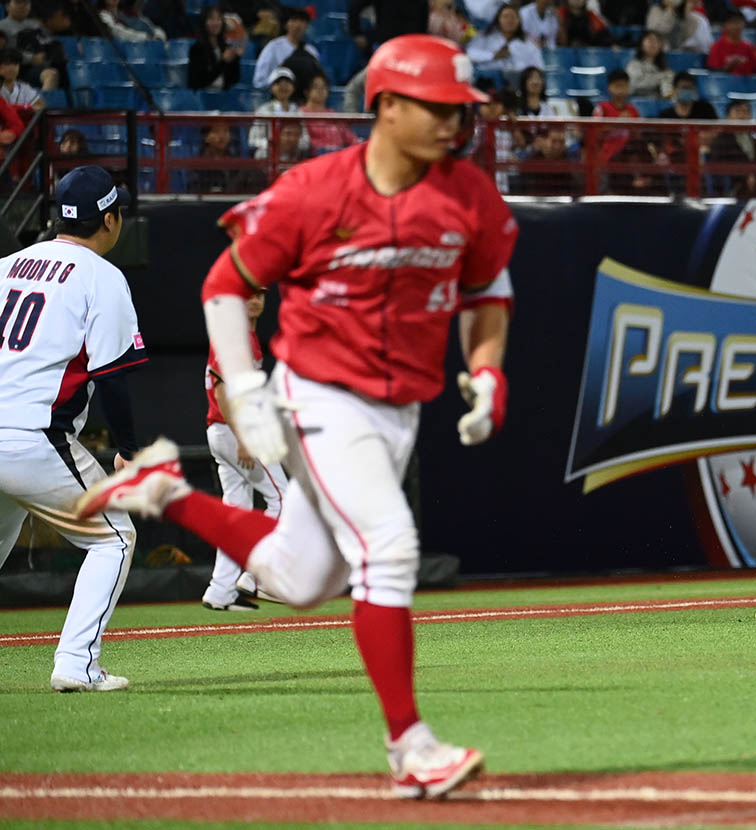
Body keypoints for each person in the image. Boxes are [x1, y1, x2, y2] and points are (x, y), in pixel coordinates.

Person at [76, 35, 514, 798]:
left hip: (400, 407)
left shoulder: (468, 192)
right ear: (385, 105)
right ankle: (411, 748)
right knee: (389, 545)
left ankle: (167, 495)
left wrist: (485, 368)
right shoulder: (314, 189)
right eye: (439, 108)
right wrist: (243, 391)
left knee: (300, 575)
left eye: (461, 110)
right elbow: (222, 284)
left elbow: (487, 295)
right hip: (320, 394)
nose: (455, 124)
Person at [0, 165, 147, 692]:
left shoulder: (7, 264)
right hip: (36, 437)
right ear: (108, 219)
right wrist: (127, 448)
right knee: (115, 539)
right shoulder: (102, 276)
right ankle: (76, 664)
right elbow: (112, 377)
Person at [201, 290, 288, 611]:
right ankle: (256, 577)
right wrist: (243, 438)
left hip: (222, 432)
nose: (254, 301)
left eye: (260, 295)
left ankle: (220, 591)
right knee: (284, 499)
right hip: (231, 431)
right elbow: (223, 391)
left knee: (235, 512)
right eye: (247, 295)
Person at [248, 66, 309, 160]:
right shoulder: (263, 111)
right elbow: (253, 140)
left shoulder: (298, 112)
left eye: (287, 83)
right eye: (279, 83)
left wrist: (292, 144)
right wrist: (277, 144)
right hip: (269, 156)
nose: (283, 87)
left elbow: (305, 139)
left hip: (294, 156)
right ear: (271, 88)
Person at [252, 7, 320, 90]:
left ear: (307, 26)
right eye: (294, 20)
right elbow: (259, 81)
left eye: (302, 21)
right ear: (285, 24)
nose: (298, 25)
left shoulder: (312, 51)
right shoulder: (273, 47)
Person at [467, 4, 544, 73]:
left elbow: (539, 67)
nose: (509, 20)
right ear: (498, 20)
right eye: (505, 16)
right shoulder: (485, 37)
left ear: (519, 21)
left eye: (513, 17)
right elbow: (470, 53)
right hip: (487, 82)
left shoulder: (528, 43)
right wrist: (493, 56)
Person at [301, 72, 358, 154]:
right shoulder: (301, 114)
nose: (320, 90)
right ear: (306, 91)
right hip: (315, 159)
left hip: (339, 157)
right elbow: (304, 145)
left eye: (324, 87)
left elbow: (351, 138)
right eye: (315, 87)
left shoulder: (333, 114)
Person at [188, 4, 242, 91]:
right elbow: (200, 82)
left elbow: (234, 79)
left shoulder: (225, 47)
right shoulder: (197, 49)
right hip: (204, 98)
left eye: (219, 19)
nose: (216, 23)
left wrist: (236, 58)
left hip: (223, 97)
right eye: (211, 19)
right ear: (204, 22)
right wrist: (223, 61)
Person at [707, 11, 756, 75]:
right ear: (725, 25)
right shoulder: (717, 47)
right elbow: (713, 74)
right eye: (732, 22)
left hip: (746, 84)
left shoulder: (748, 47)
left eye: (739, 22)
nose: (736, 26)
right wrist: (728, 68)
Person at [645, 0, 712, 53]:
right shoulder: (655, 11)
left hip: (678, 52)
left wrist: (686, 14)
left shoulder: (691, 19)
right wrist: (670, 10)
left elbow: (684, 37)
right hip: (659, 51)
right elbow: (656, 31)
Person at [626, 31, 672, 98]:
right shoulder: (634, 65)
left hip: (658, 103)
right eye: (650, 40)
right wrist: (660, 78)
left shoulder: (665, 69)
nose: (653, 44)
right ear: (641, 44)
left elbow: (667, 92)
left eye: (657, 41)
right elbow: (633, 85)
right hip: (637, 102)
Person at [97, 0, 166, 41]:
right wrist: (145, 38)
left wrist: (158, 36)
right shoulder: (102, 14)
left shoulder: (127, 13)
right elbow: (116, 32)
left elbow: (151, 27)